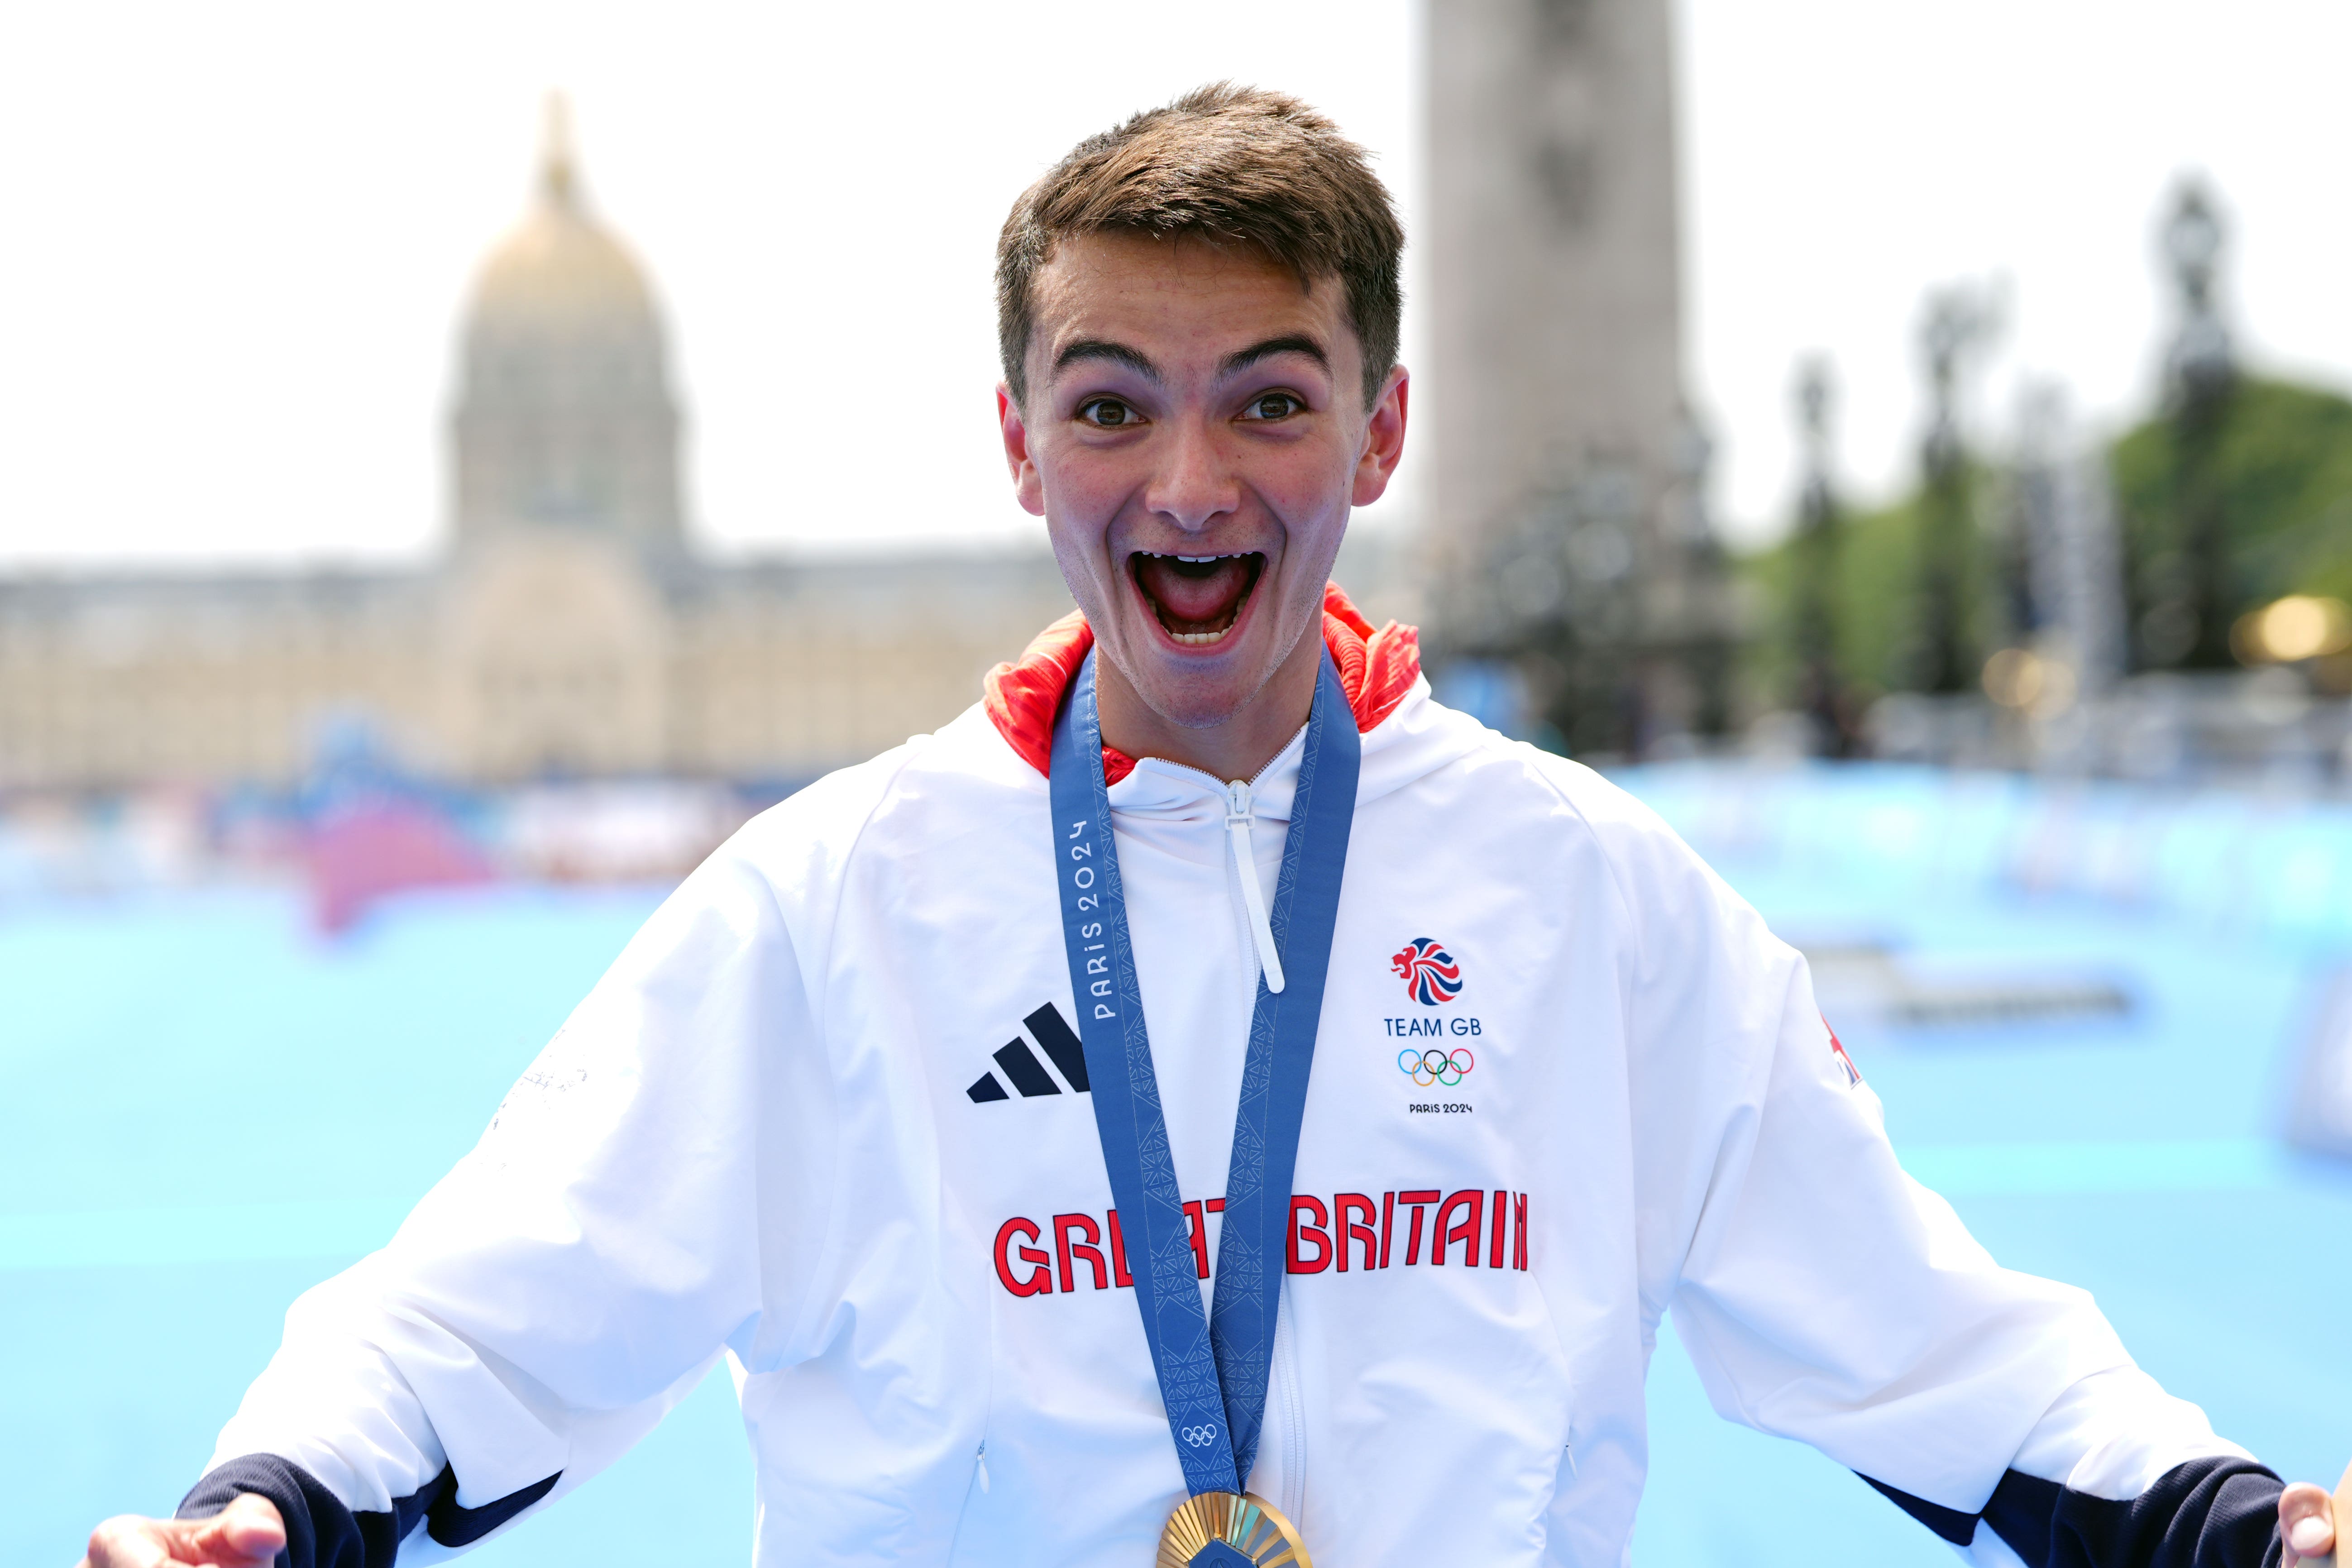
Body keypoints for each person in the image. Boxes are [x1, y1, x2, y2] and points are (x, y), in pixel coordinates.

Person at [81, 83, 2341, 1568]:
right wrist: (276, 1494)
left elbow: (1922, 1328)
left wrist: (2222, 1512)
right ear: (1017, 445)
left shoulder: (1588, 891)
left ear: (1377, 434)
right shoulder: (829, 900)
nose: (1187, 484)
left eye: (1270, 399)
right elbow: (485, 1309)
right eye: (1112, 406)